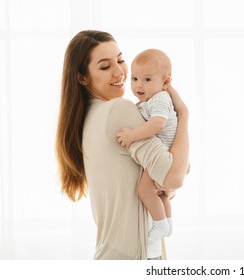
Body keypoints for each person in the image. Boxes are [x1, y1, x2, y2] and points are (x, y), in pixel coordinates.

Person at [55, 30, 189, 260]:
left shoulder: (88, 116)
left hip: (116, 252)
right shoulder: (120, 110)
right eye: (105, 66)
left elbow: (154, 182)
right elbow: (173, 177)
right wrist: (184, 114)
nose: (120, 72)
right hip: (133, 256)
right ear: (82, 77)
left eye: (120, 60)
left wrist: (167, 186)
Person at [117, 49, 177, 244]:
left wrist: (132, 135)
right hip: (166, 154)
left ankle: (160, 224)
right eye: (134, 78)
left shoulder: (160, 99)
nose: (138, 85)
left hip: (164, 153)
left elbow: (157, 124)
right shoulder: (150, 100)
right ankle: (167, 221)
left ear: (165, 82)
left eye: (147, 79)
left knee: (144, 190)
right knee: (159, 193)